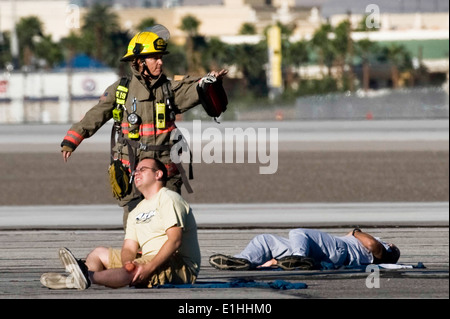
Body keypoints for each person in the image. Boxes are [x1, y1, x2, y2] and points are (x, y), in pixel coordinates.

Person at [60, 25, 228, 227]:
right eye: (154, 57)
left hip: (165, 169)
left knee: (171, 222)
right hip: (131, 170)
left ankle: (169, 258)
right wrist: (72, 140)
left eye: (161, 57)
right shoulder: (121, 90)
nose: (160, 62)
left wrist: (207, 84)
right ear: (139, 62)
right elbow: (97, 114)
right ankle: (134, 258)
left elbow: (192, 91)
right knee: (135, 224)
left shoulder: (169, 89)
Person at [40, 157, 201, 290]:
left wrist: (149, 267)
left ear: (158, 174)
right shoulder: (136, 211)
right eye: (135, 170)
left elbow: (175, 240)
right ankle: (79, 279)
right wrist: (127, 262)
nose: (136, 173)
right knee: (99, 253)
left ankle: (87, 276)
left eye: (142, 169)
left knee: (135, 268)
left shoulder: (169, 198)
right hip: (148, 257)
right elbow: (129, 247)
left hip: (178, 264)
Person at [209, 228, 401, 271]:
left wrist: (356, 231)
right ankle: (242, 260)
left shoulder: (380, 249)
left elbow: (372, 245)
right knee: (265, 240)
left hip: (340, 251)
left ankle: (298, 258)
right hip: (328, 251)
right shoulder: (378, 248)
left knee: (299, 232)